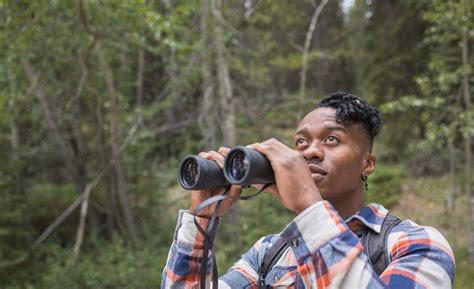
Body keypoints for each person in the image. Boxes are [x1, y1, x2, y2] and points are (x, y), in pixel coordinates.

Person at [161, 92, 455, 288]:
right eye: (301, 142)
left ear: (367, 164)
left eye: (331, 140)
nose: (310, 152)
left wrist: (309, 206)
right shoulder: (270, 251)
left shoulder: (414, 243)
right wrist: (200, 224)